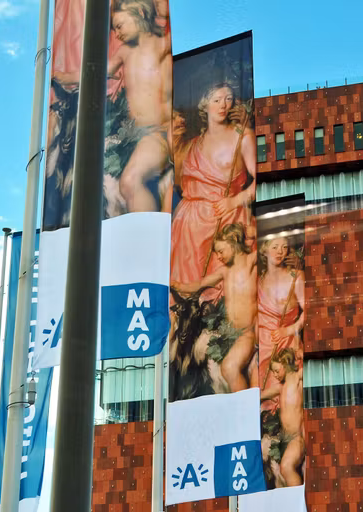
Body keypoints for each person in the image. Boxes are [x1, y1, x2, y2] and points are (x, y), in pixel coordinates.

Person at [170, 81, 256, 305]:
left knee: (219, 293)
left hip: (225, 219)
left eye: (228, 99)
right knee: (184, 293)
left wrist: (235, 200)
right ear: (205, 105)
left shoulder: (242, 136)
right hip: (189, 228)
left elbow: (261, 181)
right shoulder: (192, 145)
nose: (223, 105)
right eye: (217, 100)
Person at [172, 223, 257, 392]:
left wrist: (251, 231)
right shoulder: (225, 272)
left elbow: (265, 246)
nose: (218, 256)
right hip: (228, 332)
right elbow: (201, 283)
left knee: (229, 368)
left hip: (246, 334)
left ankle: (243, 408)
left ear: (234, 242)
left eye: (221, 251)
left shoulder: (250, 263)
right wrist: (177, 285)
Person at [106, 0, 172, 213]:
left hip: (162, 132)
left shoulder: (164, 46)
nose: (117, 34)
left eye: (120, 25)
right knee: (123, 183)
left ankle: (148, 237)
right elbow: (101, 69)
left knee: (131, 180)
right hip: (139, 136)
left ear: (140, 13)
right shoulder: (125, 52)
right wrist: (63, 77)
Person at [258, 237, 305, 389]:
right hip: (262, 343)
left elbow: (309, 311)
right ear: (264, 250)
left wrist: (288, 330)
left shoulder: (295, 276)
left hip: (285, 342)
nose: (280, 251)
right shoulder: (259, 280)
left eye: (284, 247)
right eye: (275, 247)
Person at [268, 347, 305, 487]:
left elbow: (313, 368)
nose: (275, 375)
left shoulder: (297, 379)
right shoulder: (280, 388)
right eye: (273, 372)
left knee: (286, 467)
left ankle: (296, 502)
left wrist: (302, 355)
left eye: (277, 371)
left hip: (297, 438)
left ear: (286, 364)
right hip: (285, 440)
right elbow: (258, 396)